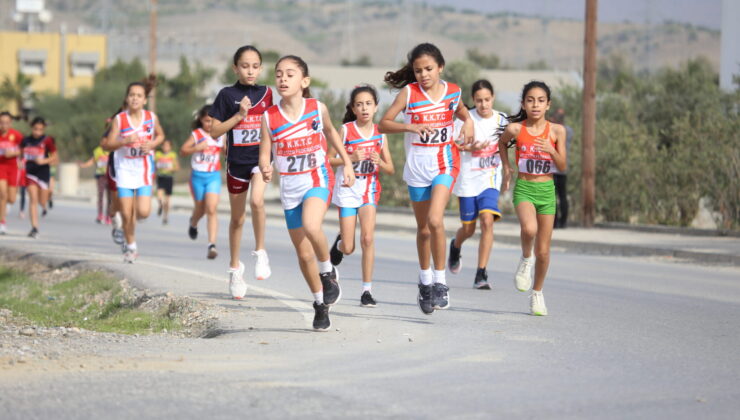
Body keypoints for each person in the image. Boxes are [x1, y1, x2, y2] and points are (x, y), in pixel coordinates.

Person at [259, 55, 355, 331]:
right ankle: (319, 304)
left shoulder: (316, 108)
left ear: (304, 81)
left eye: (290, 74)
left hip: (317, 179)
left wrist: (347, 163)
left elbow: (332, 133)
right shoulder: (269, 116)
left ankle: (328, 273)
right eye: (278, 74)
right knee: (303, 256)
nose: (283, 79)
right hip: (290, 190)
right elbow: (265, 154)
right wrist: (265, 167)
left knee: (313, 226)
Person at [378, 43, 473, 315]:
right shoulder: (410, 93)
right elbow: (384, 123)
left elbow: (462, 112)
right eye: (418, 70)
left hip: (445, 162)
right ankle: (425, 279)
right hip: (418, 166)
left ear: (440, 67)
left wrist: (468, 123)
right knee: (423, 230)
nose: (423, 74)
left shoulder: (452, 92)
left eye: (429, 69)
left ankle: (441, 283)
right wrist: (411, 125)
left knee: (435, 220)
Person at [210, 46, 274, 297]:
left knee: (257, 201)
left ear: (260, 68)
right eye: (245, 66)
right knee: (237, 220)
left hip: (259, 160)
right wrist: (239, 116)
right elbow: (214, 131)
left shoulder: (267, 93)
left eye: (255, 66)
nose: (250, 70)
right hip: (236, 164)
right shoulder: (226, 95)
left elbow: (274, 127)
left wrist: (271, 160)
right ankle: (235, 269)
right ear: (235, 68)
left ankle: (261, 252)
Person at [499, 81, 567, 316]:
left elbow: (563, 165)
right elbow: (501, 143)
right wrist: (507, 169)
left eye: (540, 100)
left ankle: (537, 293)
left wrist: (552, 149)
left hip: (547, 191)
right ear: (523, 104)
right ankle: (525, 258)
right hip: (525, 188)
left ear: (548, 105)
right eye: (530, 100)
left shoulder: (557, 131)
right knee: (529, 229)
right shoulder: (516, 129)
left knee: (545, 252)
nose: (535, 104)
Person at [328, 85, 394, 307]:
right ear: (353, 108)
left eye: (368, 104)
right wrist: (350, 157)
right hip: (347, 190)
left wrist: (380, 162)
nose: (364, 108)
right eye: (359, 104)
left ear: (376, 107)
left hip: (369, 190)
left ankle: (367, 291)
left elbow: (391, 168)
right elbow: (329, 160)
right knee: (349, 247)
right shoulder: (346, 130)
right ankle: (339, 245)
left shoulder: (380, 133)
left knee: (367, 239)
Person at [448, 80, 508, 290]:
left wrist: (508, 171)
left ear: (493, 98)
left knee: (487, 220)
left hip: (490, 178)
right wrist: (470, 147)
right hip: (467, 181)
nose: (484, 104)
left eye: (487, 100)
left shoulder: (502, 120)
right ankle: (455, 246)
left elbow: (508, 146)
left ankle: (481, 273)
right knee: (468, 229)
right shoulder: (466, 118)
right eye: (479, 100)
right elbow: (454, 145)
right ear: (473, 101)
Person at [101, 82, 165, 263]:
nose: (135, 98)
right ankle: (131, 247)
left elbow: (160, 135)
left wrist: (152, 144)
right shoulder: (120, 120)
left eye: (139, 95)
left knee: (143, 212)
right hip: (124, 171)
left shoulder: (151, 118)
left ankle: (128, 228)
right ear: (127, 98)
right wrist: (124, 140)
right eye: (132, 95)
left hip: (143, 169)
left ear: (144, 100)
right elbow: (108, 144)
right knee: (127, 214)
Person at [181, 106, 223, 259]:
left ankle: (211, 245)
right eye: (206, 121)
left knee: (211, 208)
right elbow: (183, 150)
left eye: (212, 121)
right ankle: (193, 222)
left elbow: (226, 150)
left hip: (213, 176)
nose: (210, 124)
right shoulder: (197, 134)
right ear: (201, 120)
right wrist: (197, 147)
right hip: (197, 177)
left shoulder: (220, 135)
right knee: (201, 208)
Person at [20, 117, 58, 238]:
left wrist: (44, 161)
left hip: (43, 172)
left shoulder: (47, 141)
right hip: (30, 172)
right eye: (35, 129)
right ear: (32, 128)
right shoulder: (25, 140)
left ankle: (47, 202)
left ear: (43, 129)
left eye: (40, 130)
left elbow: (55, 157)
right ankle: (34, 227)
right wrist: (20, 161)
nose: (37, 132)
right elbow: (21, 154)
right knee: (33, 200)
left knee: (42, 200)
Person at [0, 111, 22, 234]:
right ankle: (2, 222)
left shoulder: (17, 135)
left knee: (12, 198)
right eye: (1, 123)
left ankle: (4, 208)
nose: (4, 125)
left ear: (11, 123)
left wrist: (13, 153)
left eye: (6, 123)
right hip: (0, 166)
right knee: (3, 194)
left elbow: (24, 149)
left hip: (13, 167)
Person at [550, 108, 572, 229]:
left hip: (553, 168)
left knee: (552, 196)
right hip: (563, 168)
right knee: (562, 196)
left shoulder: (554, 131)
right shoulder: (569, 130)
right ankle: (563, 222)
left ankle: (554, 222)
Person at [79, 145, 111, 224]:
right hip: (100, 176)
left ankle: (108, 216)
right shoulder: (98, 150)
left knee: (110, 198)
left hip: (110, 176)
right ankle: (100, 215)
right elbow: (93, 160)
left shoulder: (113, 148)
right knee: (100, 195)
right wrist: (84, 165)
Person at [155, 139, 179, 225]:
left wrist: (170, 168)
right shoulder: (158, 154)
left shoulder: (172, 155)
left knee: (167, 200)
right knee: (159, 196)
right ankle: (160, 205)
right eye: (164, 145)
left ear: (170, 147)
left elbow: (177, 167)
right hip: (160, 177)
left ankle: (165, 216)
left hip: (169, 178)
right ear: (162, 146)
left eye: (167, 146)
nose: (165, 147)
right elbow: (154, 166)